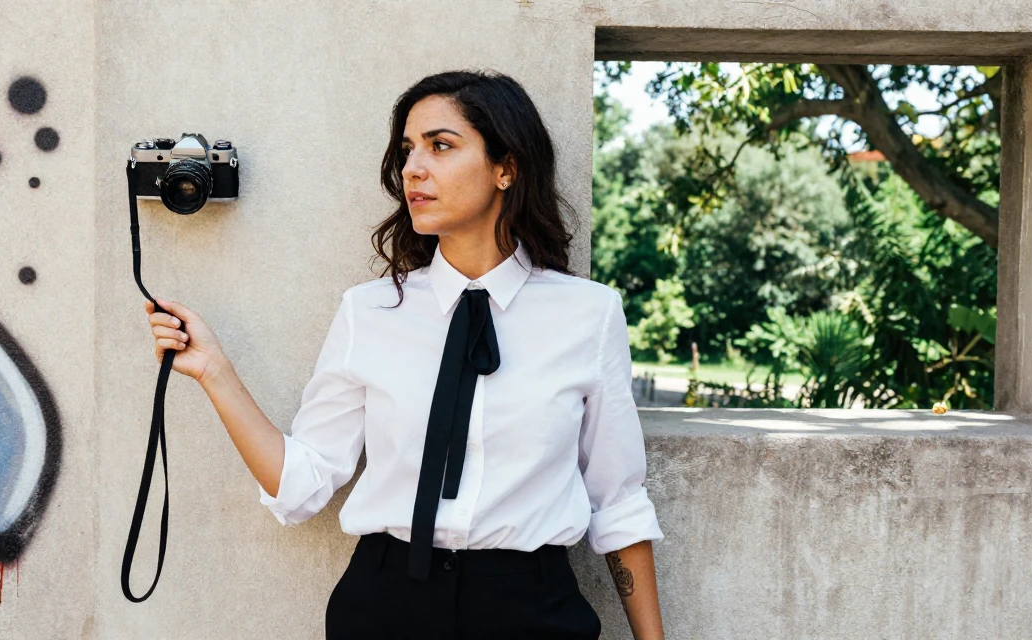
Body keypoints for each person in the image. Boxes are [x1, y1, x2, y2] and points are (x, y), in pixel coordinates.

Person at [143, 70, 666, 639]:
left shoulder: (587, 315)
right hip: (387, 607)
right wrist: (215, 372)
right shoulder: (369, 312)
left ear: (506, 168)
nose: (413, 168)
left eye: (441, 146)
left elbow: (616, 502)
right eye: (407, 150)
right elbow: (302, 485)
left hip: (532, 610)